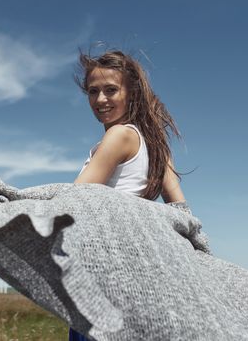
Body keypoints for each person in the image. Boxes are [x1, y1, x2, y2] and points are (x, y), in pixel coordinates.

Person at [69, 49, 188, 340]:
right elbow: (180, 207)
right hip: (134, 277)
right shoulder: (156, 143)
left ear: (131, 92)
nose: (100, 100)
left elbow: (74, 200)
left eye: (111, 90)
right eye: (93, 91)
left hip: (101, 279)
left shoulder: (119, 136)